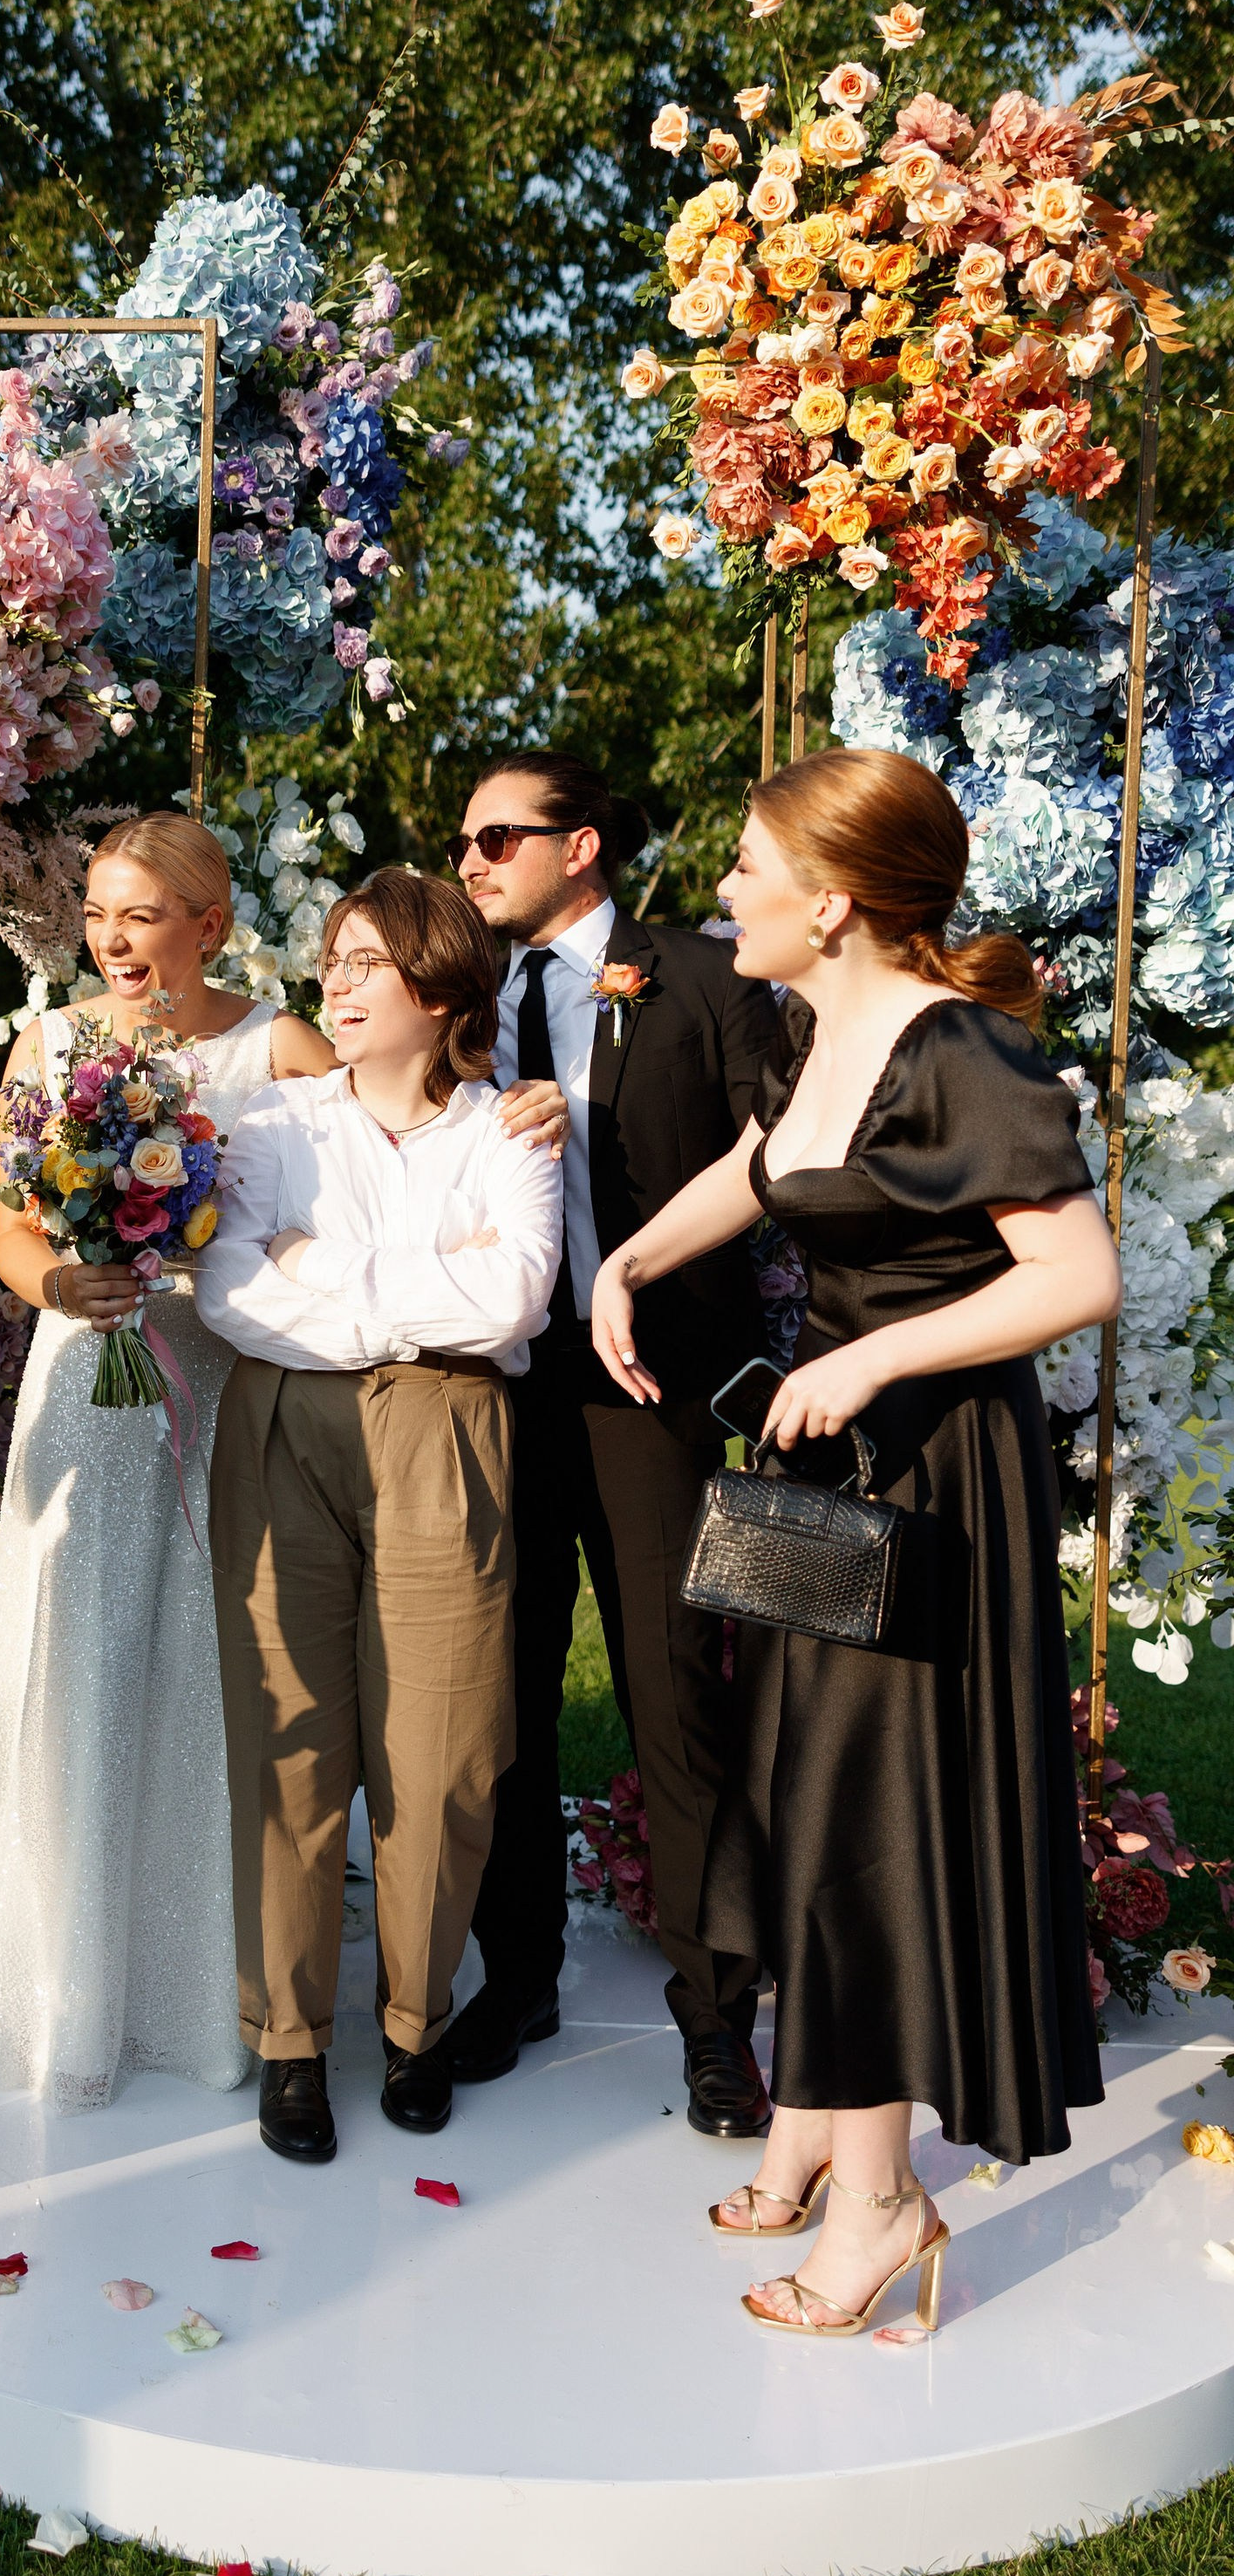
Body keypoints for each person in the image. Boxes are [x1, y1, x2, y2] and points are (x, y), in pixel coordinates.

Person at [590, 748, 1115, 2339]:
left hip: (936, 1479)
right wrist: (626, 1265)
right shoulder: (818, 1031)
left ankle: (887, 2203)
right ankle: (824, 2129)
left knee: (868, 1814)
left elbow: (1076, 1275)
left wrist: (876, 1356)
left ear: (829, 903)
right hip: (833, 1476)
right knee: (800, 1786)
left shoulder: (961, 1050)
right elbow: (760, 1175)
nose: (722, 897)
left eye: (748, 870)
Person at [0, 816, 333, 2111]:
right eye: (99, 914)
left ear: (210, 921)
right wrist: (65, 1282)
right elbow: (18, 1233)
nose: (114, 940)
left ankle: (215, 1994)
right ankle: (67, 1996)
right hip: (90, 1380)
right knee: (80, 1656)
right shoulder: (49, 1045)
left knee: (220, 1662)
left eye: (142, 913)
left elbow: (337, 1216)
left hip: (228, 1382)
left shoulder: (285, 1048)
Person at [198, 868, 562, 2163]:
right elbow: (227, 1300)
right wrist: (409, 1284)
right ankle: (288, 2043)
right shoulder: (272, 1126)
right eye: (332, 961)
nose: (335, 985)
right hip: (285, 1429)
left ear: (442, 988)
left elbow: (511, 1301)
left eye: (366, 964)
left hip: (448, 1433)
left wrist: (323, 1270)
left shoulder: (510, 1132)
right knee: (291, 1744)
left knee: (445, 1750)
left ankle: (415, 2020)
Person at [445, 752, 784, 2139]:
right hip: (497, 1392)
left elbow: (784, 1143)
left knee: (670, 1696)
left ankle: (717, 2017)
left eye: (496, 837)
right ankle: (516, 1976)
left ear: (581, 846)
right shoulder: (461, 996)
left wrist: (580, 1127)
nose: (471, 861)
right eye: (462, 841)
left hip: (651, 1392)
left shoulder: (702, 979)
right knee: (504, 1694)